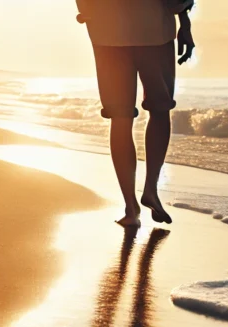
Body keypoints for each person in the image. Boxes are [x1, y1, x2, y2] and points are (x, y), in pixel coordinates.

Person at [76, 0, 196, 227]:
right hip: (153, 29)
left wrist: (88, 12)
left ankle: (131, 208)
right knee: (160, 108)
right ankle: (150, 188)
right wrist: (185, 22)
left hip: (106, 31)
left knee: (120, 116)